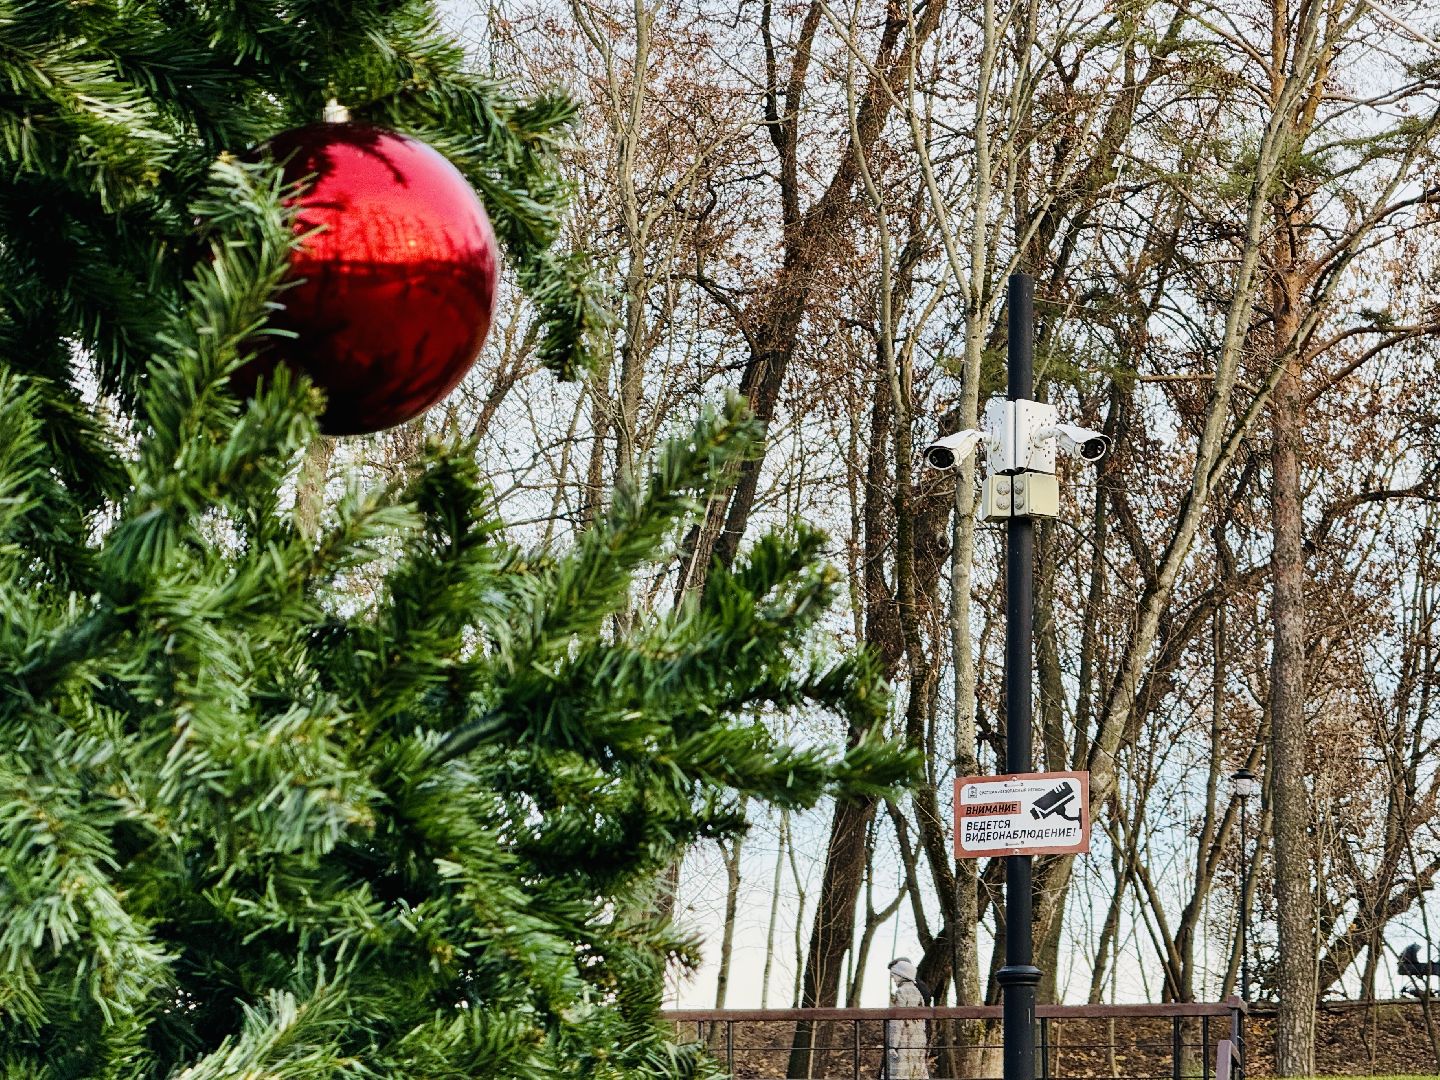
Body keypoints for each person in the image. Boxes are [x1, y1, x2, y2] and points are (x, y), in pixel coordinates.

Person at [885, 957, 930, 1079]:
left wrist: (892, 1045)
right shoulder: (917, 992)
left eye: (894, 975)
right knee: (914, 1071)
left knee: (899, 1073)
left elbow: (896, 1021)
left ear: (901, 975)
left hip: (903, 1040)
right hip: (916, 1040)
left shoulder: (900, 993)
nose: (892, 978)